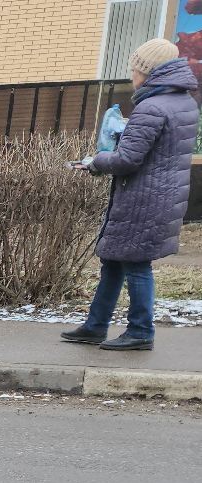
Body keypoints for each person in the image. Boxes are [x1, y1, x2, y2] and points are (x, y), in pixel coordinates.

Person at [61, 40, 199, 353]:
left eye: (135, 68)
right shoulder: (183, 101)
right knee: (113, 259)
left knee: (136, 264)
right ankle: (95, 325)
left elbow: (127, 159)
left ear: (148, 71)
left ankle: (140, 330)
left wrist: (95, 161)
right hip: (161, 195)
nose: (132, 74)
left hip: (144, 198)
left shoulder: (151, 106)